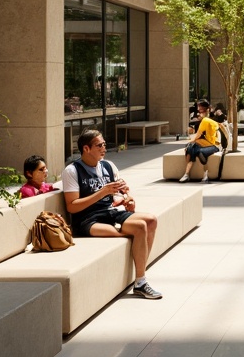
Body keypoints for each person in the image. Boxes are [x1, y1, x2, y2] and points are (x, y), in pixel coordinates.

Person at [63, 128, 161, 299]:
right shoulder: (72, 171)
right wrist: (102, 192)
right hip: (88, 219)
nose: (104, 148)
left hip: (110, 212)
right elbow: (72, 207)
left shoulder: (108, 166)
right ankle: (141, 281)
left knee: (150, 220)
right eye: (99, 145)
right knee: (139, 228)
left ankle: (140, 276)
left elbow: (120, 192)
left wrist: (127, 198)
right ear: (86, 149)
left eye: (104, 145)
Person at [179, 99, 223, 183]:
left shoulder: (205, 120)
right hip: (209, 143)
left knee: (196, 150)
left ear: (206, 110)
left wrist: (189, 142)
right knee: (192, 148)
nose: (199, 112)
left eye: (200, 110)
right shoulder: (210, 119)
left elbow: (198, 135)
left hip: (214, 146)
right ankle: (188, 174)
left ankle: (195, 174)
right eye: (198, 109)